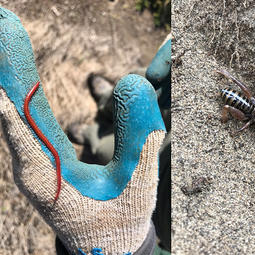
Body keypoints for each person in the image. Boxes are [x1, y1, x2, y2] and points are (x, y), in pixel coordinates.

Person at [0, 7, 169, 254]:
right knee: (139, 87)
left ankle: (88, 134)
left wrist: (125, 244)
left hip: (165, 197)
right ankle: (104, 102)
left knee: (105, 147)